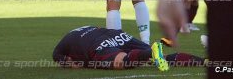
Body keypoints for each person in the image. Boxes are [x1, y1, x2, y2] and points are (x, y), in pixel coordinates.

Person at [52, 25, 205, 70]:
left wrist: (75, 65)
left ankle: (150, 52)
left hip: (96, 44)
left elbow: (65, 61)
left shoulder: (60, 49)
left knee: (122, 61)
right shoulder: (79, 31)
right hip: (115, 34)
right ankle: (204, 61)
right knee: (155, 57)